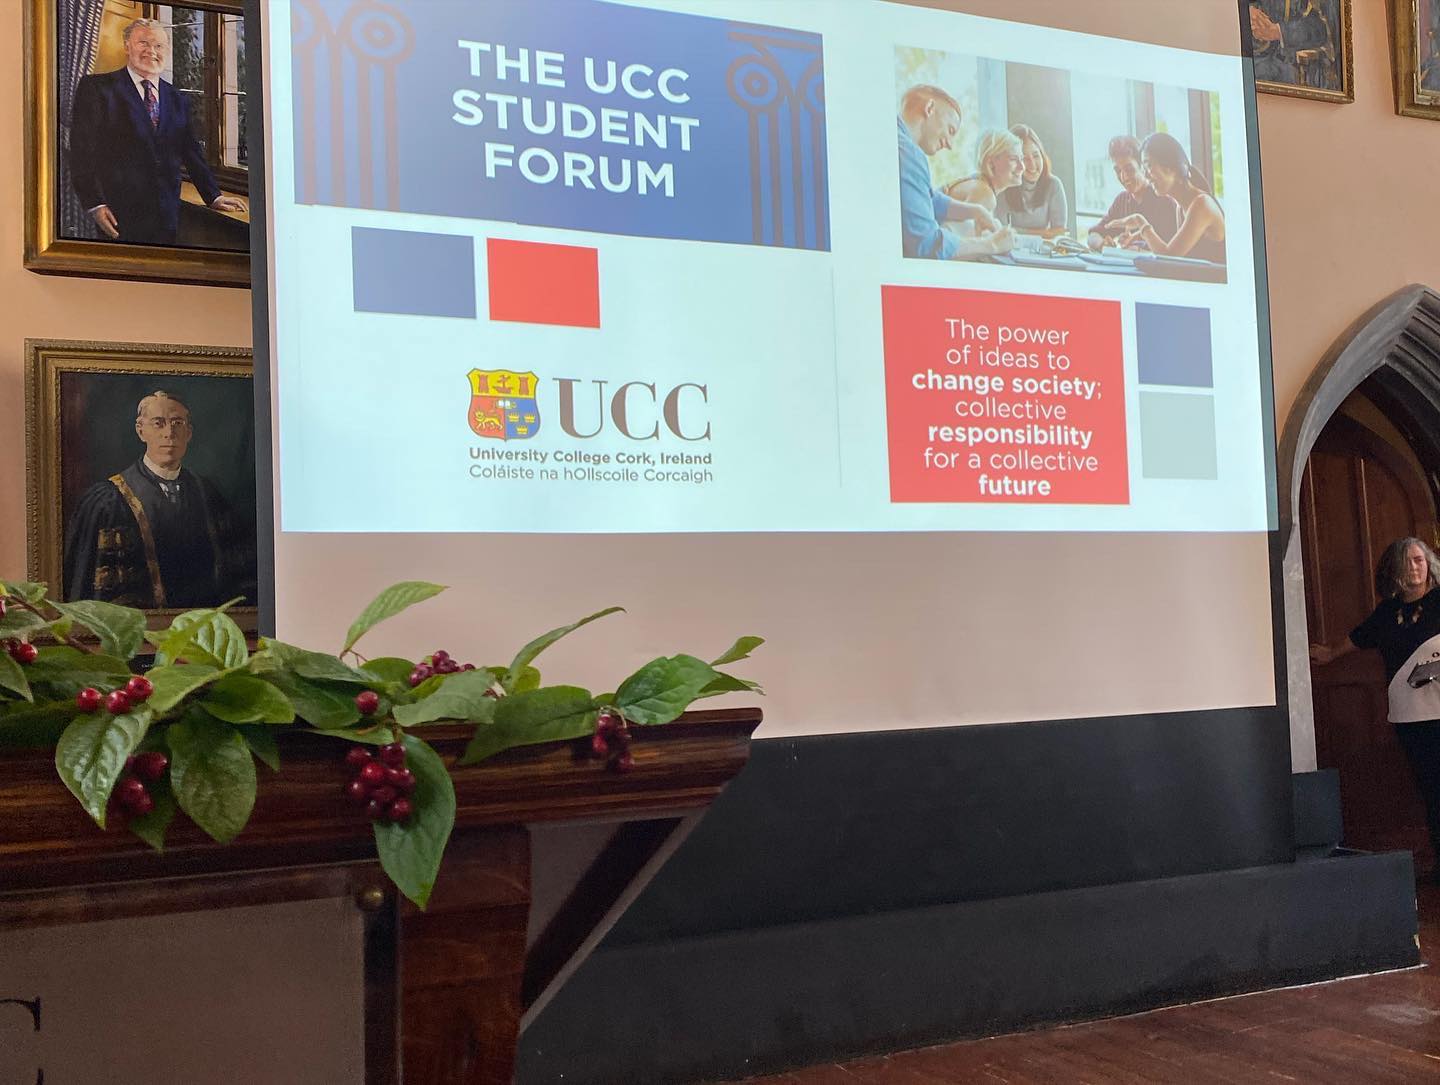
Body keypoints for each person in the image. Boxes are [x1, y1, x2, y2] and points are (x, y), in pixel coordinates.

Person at [1312, 537, 1440, 870]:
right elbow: (1358, 638)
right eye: (1406, 561)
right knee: (1431, 792)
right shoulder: (1387, 612)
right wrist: (1329, 654)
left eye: (1419, 560)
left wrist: (1433, 668)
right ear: (1394, 569)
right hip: (1409, 718)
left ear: (1429, 565)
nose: (1413, 567)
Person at [63, 391, 254, 609]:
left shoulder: (207, 494)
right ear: (140, 430)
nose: (169, 433)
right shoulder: (109, 502)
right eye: (158, 423)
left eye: (177, 423)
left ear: (189, 433)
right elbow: (94, 591)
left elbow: (237, 574)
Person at [68, 18, 247, 246]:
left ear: (167, 51)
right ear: (127, 46)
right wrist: (95, 204)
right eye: (143, 43)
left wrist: (214, 196)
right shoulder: (97, 88)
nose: (151, 51)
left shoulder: (177, 98)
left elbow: (191, 153)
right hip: (115, 215)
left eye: (158, 46)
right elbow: (81, 153)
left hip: (166, 216)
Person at [897, 85, 1013, 260]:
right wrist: (992, 245)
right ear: (929, 108)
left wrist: (976, 211)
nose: (950, 145)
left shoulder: (897, 142)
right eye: (951, 130)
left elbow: (927, 198)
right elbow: (927, 245)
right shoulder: (909, 154)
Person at [1111, 132, 1226, 263]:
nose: (1146, 175)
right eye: (1144, 168)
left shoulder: (1202, 204)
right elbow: (1179, 257)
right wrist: (1140, 238)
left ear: (1170, 167)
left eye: (1149, 166)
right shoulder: (1180, 207)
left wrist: (1140, 222)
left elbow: (1169, 257)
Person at [1087, 135, 1180, 251]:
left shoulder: (1164, 200)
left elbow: (1171, 251)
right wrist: (1102, 245)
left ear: (1143, 167)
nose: (1124, 177)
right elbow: (1094, 234)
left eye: (1129, 170)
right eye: (1118, 171)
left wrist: (1138, 248)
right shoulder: (1122, 200)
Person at [944, 128, 1025, 220]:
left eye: (1022, 159)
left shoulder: (978, 183)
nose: (1022, 167)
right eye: (1013, 159)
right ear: (990, 164)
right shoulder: (984, 194)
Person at [1249, 1, 1333, 88]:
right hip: (1255, 62)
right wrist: (1248, 13)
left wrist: (1278, 31)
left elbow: (1320, 30)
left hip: (1292, 66)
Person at [1001, 124, 1068, 232]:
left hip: (1044, 244)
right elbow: (1000, 232)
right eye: (1024, 158)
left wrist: (1018, 231)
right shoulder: (1004, 186)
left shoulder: (1054, 184)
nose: (1032, 164)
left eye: (1036, 155)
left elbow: (1059, 232)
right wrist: (1044, 233)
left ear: (1042, 155)